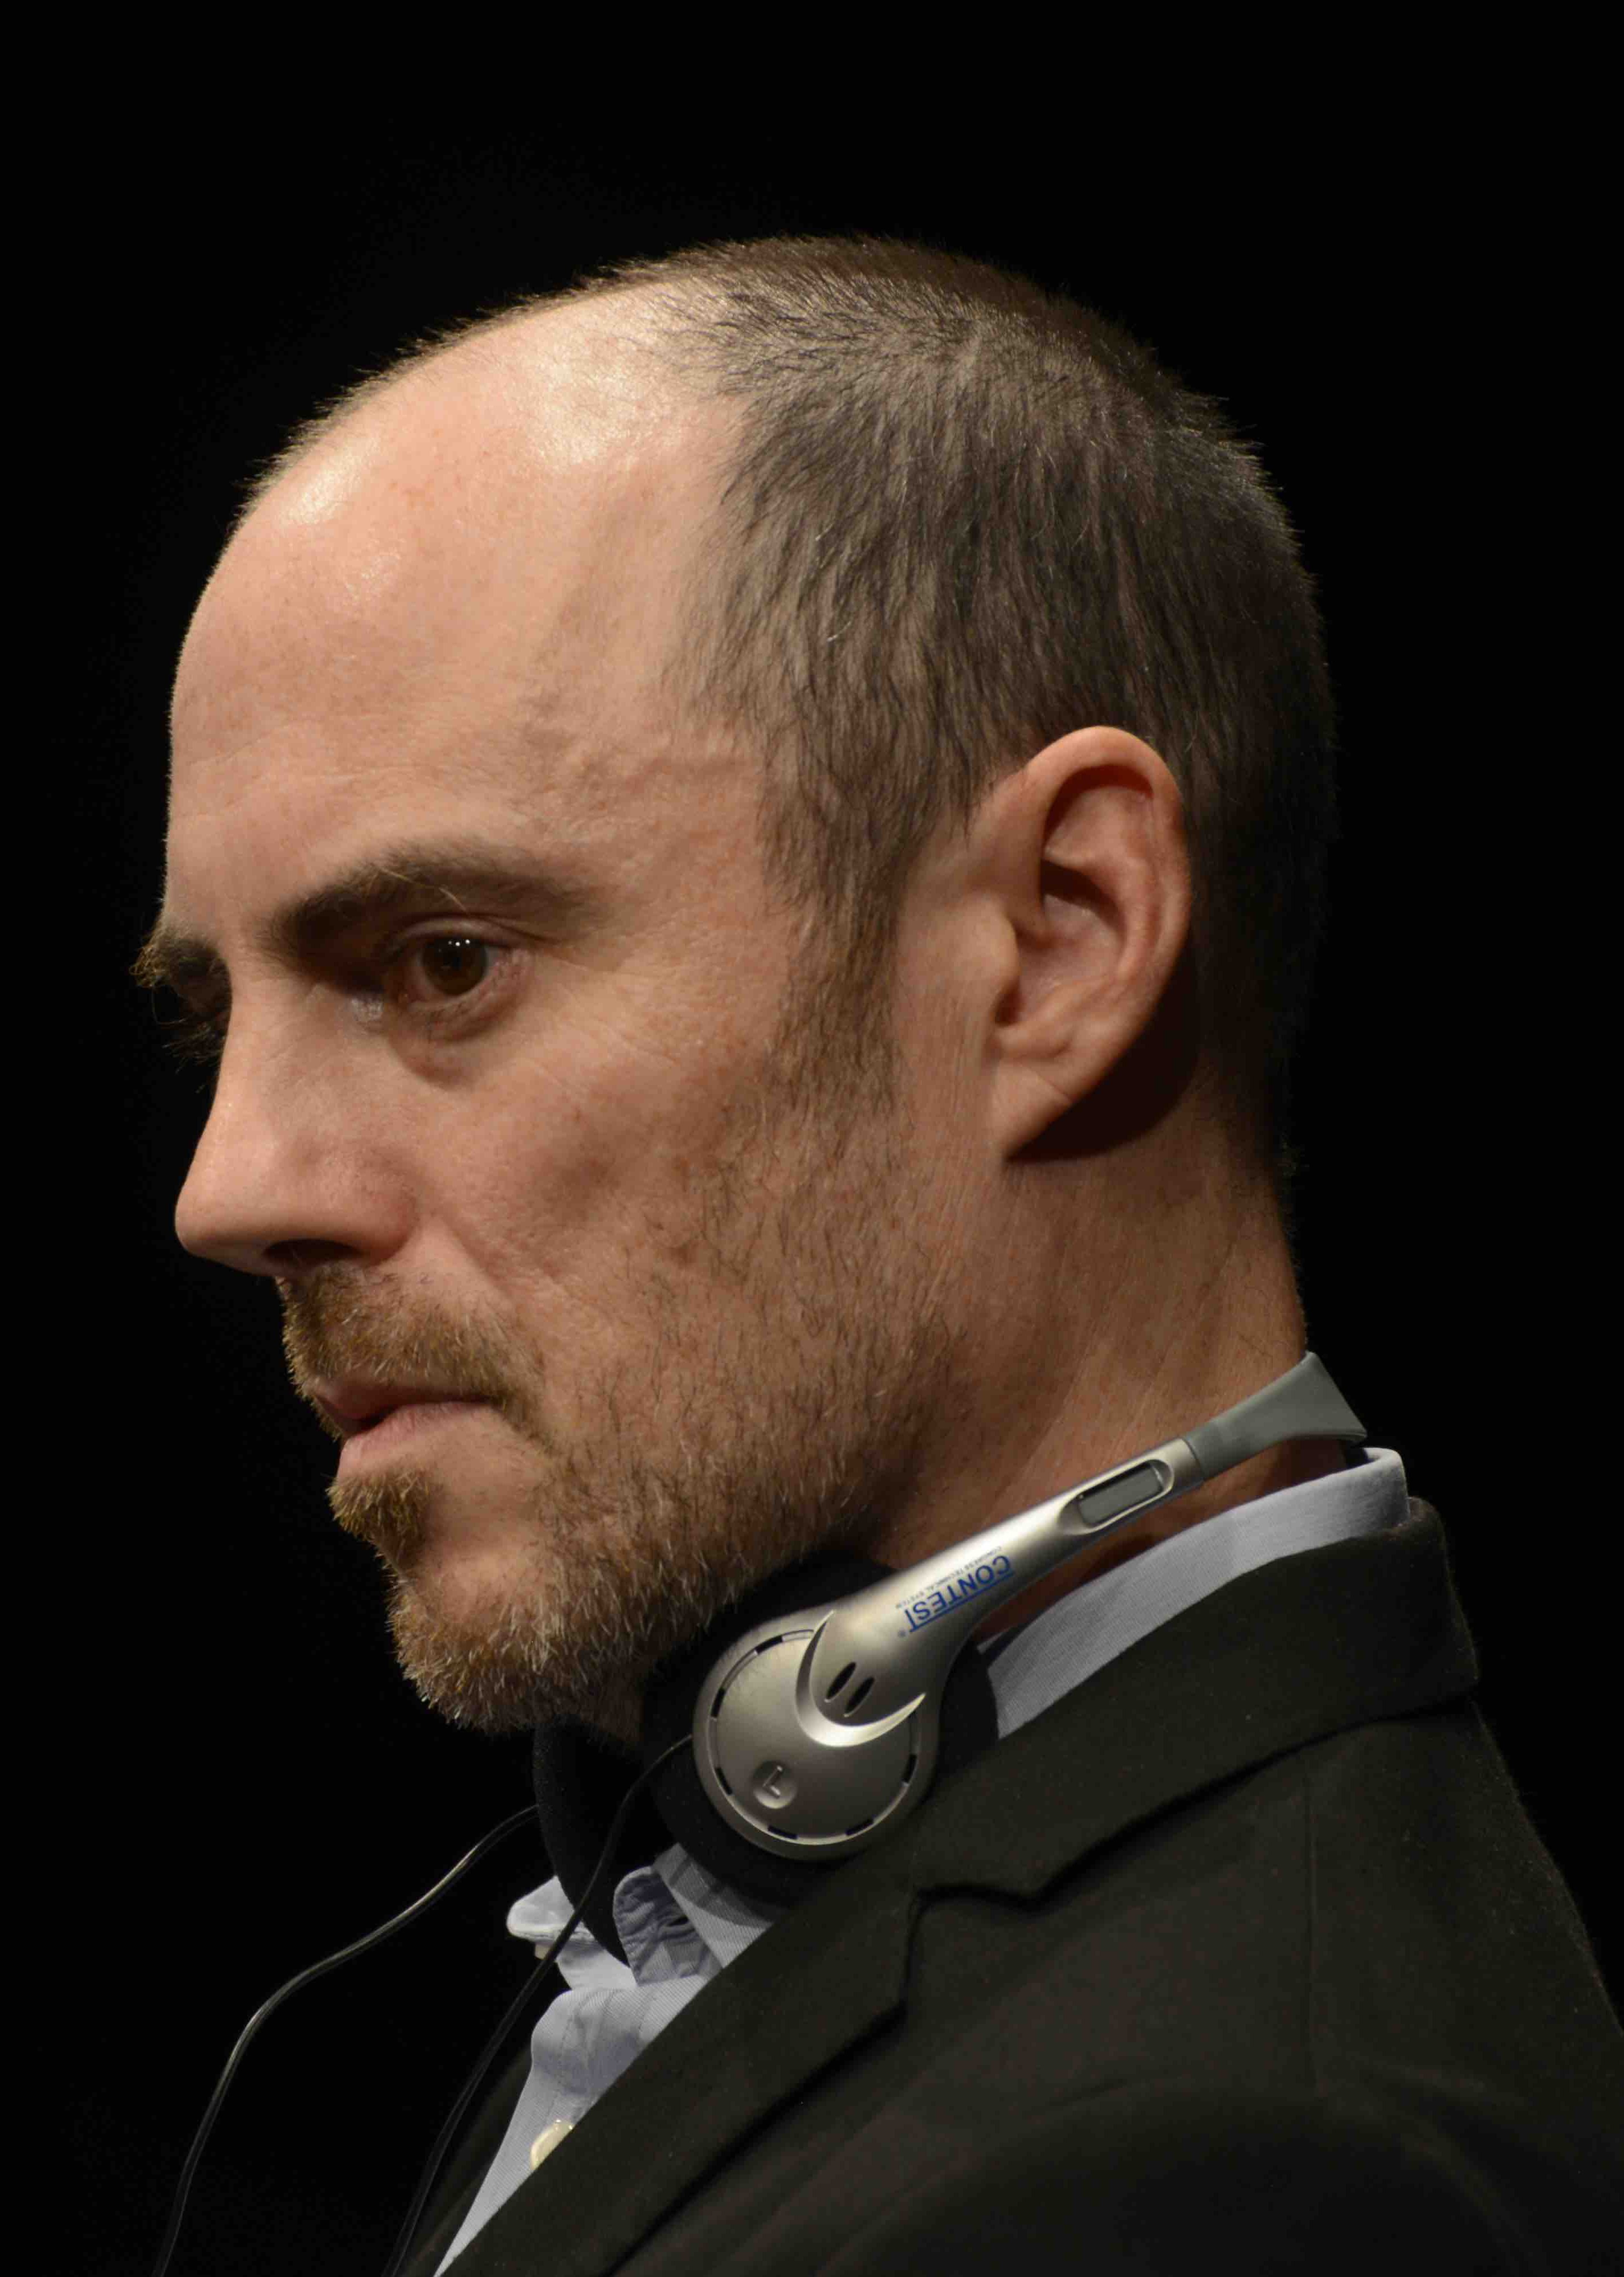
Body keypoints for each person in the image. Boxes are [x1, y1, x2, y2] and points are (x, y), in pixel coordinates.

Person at [134, 235, 1622, 2274]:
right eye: (212, 1022)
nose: (228, 1188)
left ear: (1061, 940)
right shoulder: (704, 1873)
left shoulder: (1255, 2171)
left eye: (442, 961)